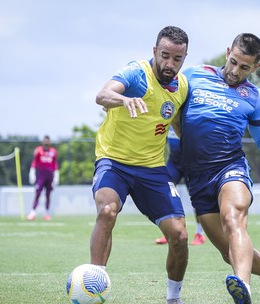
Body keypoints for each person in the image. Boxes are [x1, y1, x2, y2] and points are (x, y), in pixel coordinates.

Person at [179, 33, 260, 304]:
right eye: (233, 62)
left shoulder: (255, 97)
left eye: (244, 67)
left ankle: (244, 291)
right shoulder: (194, 74)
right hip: (197, 176)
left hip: (230, 168)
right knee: (230, 253)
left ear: (256, 68)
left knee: (232, 218)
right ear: (228, 51)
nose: (235, 71)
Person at [91, 26, 190, 304]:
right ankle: (94, 288)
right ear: (155, 51)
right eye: (165, 55)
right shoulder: (135, 73)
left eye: (177, 58)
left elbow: (180, 127)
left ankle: (173, 299)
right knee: (107, 210)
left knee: (180, 235)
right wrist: (124, 99)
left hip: (152, 169)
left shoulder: (181, 87)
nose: (170, 63)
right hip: (115, 162)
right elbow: (102, 95)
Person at [155, 126, 206, 246]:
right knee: (164, 193)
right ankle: (170, 231)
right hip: (174, 163)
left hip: (192, 165)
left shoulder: (189, 118)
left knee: (196, 200)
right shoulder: (168, 117)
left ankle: (200, 233)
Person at [27, 135, 59, 221]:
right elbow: (34, 162)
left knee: (48, 195)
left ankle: (47, 213)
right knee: (37, 193)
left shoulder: (53, 151)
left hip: (50, 176)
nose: (46, 143)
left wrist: (56, 175)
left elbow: (55, 164)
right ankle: (33, 212)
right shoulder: (38, 151)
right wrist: (32, 172)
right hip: (41, 176)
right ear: (43, 141)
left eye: (47, 141)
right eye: (45, 141)